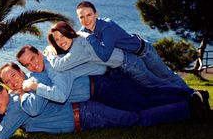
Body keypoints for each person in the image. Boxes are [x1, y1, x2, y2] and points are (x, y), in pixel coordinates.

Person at [0, 77, 204, 139]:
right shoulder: (13, 102)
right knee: (140, 103)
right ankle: (189, 99)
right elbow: (2, 110)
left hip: (86, 115)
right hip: (85, 111)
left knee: (136, 118)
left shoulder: (16, 107)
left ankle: (189, 109)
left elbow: (1, 136)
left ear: (5, 91)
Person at [14, 47, 210, 121]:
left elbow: (60, 95)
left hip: (103, 85)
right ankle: (192, 95)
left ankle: (190, 100)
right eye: (27, 64)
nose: (33, 65)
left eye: (33, 58)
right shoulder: (44, 64)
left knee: (142, 103)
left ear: (39, 53)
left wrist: (34, 87)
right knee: (147, 96)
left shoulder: (53, 66)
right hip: (106, 79)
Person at [76, 1, 188, 88]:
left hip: (144, 52)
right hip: (133, 57)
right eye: (81, 17)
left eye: (89, 15)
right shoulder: (86, 29)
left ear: (96, 14)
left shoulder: (106, 27)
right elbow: (75, 38)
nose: (86, 20)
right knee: (155, 83)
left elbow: (105, 56)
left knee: (167, 76)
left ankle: (191, 94)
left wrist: (89, 37)